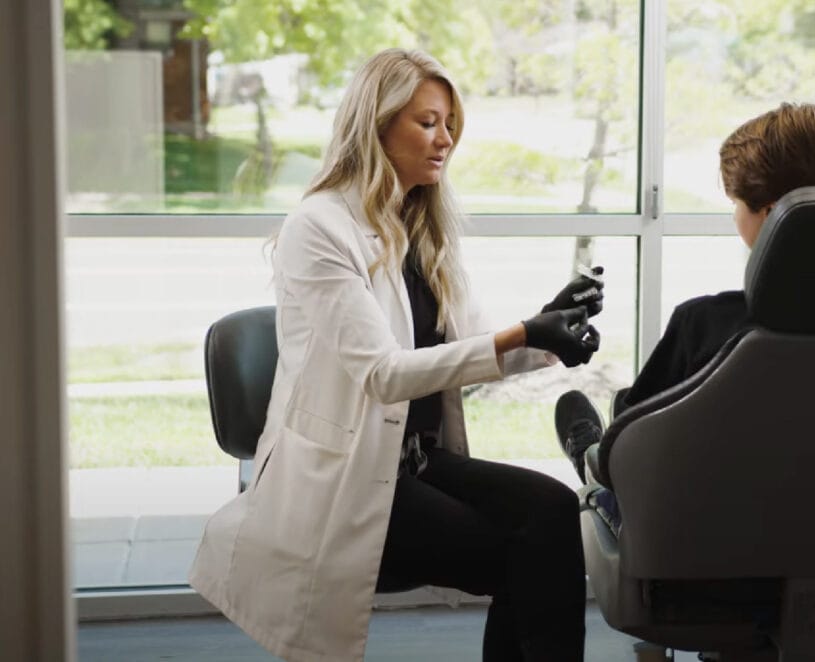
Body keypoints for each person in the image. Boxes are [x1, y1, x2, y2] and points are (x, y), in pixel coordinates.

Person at [190, 48, 605, 662]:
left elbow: (469, 351)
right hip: (348, 479)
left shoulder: (419, 225)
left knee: (549, 508)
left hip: (412, 462)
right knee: (527, 554)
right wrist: (523, 333)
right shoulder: (320, 227)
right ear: (377, 124)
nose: (445, 140)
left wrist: (546, 334)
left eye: (450, 125)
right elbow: (384, 375)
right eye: (428, 122)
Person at [555, 102, 815, 529]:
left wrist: (598, 459)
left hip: (720, 563)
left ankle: (584, 455)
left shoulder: (705, 324)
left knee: (608, 465)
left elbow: (626, 457)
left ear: (772, 213)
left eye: (737, 203)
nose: (736, 216)